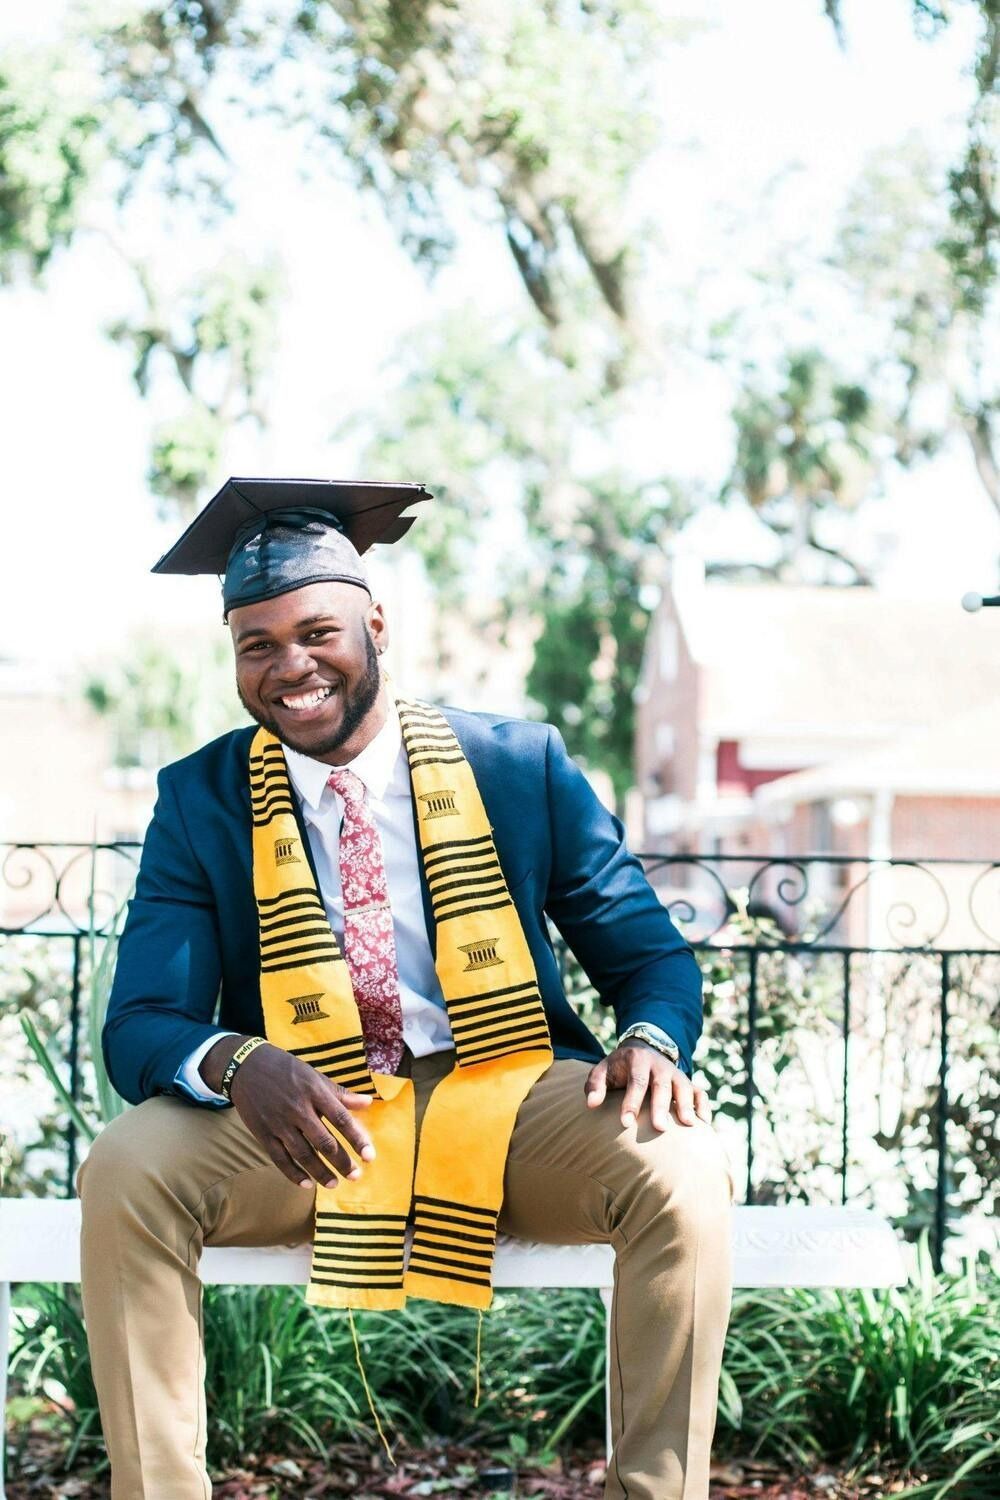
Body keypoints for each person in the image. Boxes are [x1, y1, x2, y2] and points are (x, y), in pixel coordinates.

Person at [78, 477, 734, 1500]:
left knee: (680, 1169)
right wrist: (237, 1060)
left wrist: (649, 1039)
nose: (291, 666)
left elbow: (649, 959)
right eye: (258, 645)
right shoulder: (199, 798)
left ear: (375, 623)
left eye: (316, 631)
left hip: (511, 1092)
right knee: (127, 1169)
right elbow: (140, 1026)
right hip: (310, 1117)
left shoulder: (519, 765)